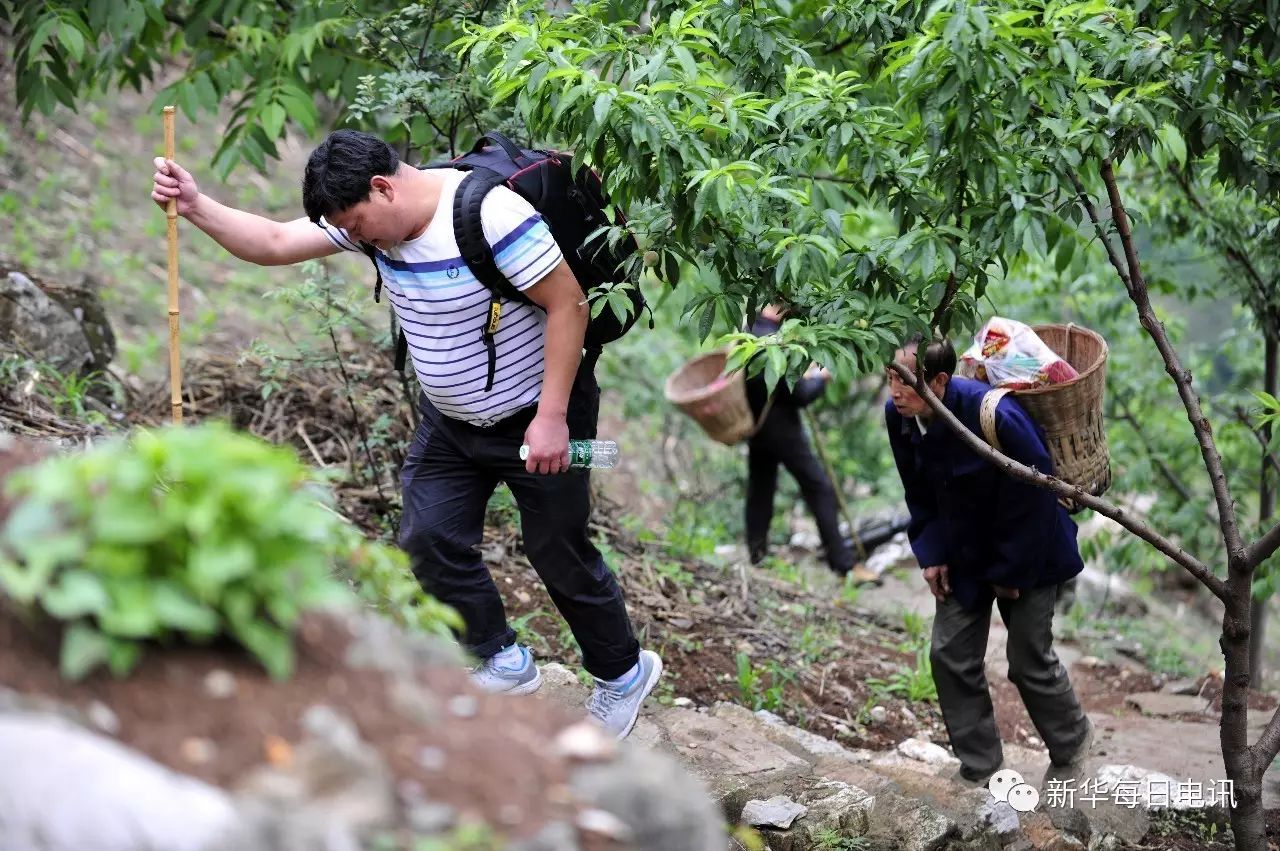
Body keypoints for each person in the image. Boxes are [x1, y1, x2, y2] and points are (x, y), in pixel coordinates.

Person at [150, 129, 661, 739]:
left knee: (559, 552)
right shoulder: (368, 218)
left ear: (383, 186)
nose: (357, 239)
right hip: (450, 422)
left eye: (360, 225)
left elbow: (568, 305)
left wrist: (553, 418)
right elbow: (277, 241)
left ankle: (624, 674)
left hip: (537, 417)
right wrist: (196, 205)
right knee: (428, 537)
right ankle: (502, 659)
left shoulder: (489, 214)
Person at [884, 334, 1092, 785]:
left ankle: (1072, 748)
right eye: (889, 378)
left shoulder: (993, 414)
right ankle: (980, 768)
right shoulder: (899, 418)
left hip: (1030, 550)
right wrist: (932, 552)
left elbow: (1037, 493)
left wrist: (1010, 572)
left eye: (904, 380)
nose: (894, 392)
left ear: (939, 380)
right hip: (961, 550)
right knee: (949, 653)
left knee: (1028, 659)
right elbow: (918, 490)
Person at [744, 304, 869, 580]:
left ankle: (757, 555)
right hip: (782, 430)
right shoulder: (773, 338)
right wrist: (821, 378)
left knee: (761, 489)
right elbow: (798, 393)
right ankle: (843, 563)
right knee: (819, 488)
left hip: (757, 427)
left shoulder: (749, 330)